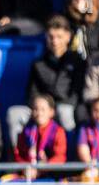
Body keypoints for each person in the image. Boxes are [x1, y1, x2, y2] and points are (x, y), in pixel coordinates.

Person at [6, 15, 85, 144]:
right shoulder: (38, 63)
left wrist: (53, 109)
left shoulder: (77, 61)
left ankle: (70, 161)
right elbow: (32, 93)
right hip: (41, 109)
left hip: (64, 108)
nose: (54, 41)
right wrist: (42, 108)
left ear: (68, 37)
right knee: (14, 114)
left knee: (65, 112)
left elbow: (76, 94)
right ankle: (21, 159)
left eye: (59, 37)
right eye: (51, 37)